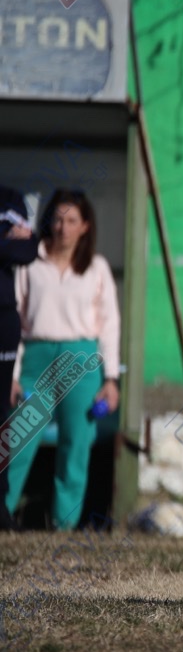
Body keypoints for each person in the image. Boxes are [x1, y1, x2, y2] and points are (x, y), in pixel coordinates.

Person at [5, 190, 119, 531]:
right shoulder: (30, 262)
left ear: (85, 226)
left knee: (76, 442)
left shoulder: (96, 267)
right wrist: (12, 373)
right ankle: (3, 512)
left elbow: (110, 324)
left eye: (71, 221)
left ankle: (63, 524)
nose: (63, 228)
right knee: (17, 439)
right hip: (35, 357)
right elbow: (15, 317)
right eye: (57, 219)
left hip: (81, 360)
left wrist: (111, 378)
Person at [0, 185, 39, 531]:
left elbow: (26, 250)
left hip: (3, 323)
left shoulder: (10, 199)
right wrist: (5, 241)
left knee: (2, 416)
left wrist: (14, 241)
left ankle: (1, 505)